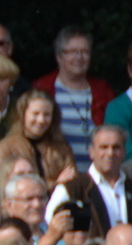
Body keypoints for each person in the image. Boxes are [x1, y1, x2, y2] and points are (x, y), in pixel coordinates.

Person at [35, 26, 113, 169]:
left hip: (97, 178)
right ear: (58, 57)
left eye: (84, 52)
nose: (79, 57)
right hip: (58, 176)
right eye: (72, 52)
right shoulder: (43, 89)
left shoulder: (103, 91)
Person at [48, 125, 130, 239]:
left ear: (124, 152)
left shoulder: (130, 186)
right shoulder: (71, 189)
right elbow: (50, 226)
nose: (110, 153)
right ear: (91, 152)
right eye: (104, 147)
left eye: (116, 147)